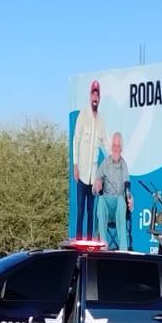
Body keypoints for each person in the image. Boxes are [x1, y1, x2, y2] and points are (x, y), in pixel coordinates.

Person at [72, 80, 109, 238]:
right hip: (82, 172)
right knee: (80, 210)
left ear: (99, 98)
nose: (95, 97)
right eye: (93, 94)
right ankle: (79, 241)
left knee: (90, 211)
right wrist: (75, 164)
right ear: (90, 96)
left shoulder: (101, 120)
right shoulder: (83, 115)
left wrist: (114, 158)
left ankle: (88, 241)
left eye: (97, 94)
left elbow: (105, 143)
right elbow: (76, 139)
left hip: (93, 176)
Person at [93, 131, 132, 250]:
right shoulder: (105, 163)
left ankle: (123, 249)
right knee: (101, 199)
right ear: (111, 147)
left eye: (118, 146)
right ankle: (103, 245)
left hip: (119, 208)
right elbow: (95, 186)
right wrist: (97, 184)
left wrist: (130, 198)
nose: (115, 148)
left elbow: (127, 189)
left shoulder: (124, 165)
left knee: (121, 199)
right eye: (114, 146)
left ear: (121, 148)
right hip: (106, 205)